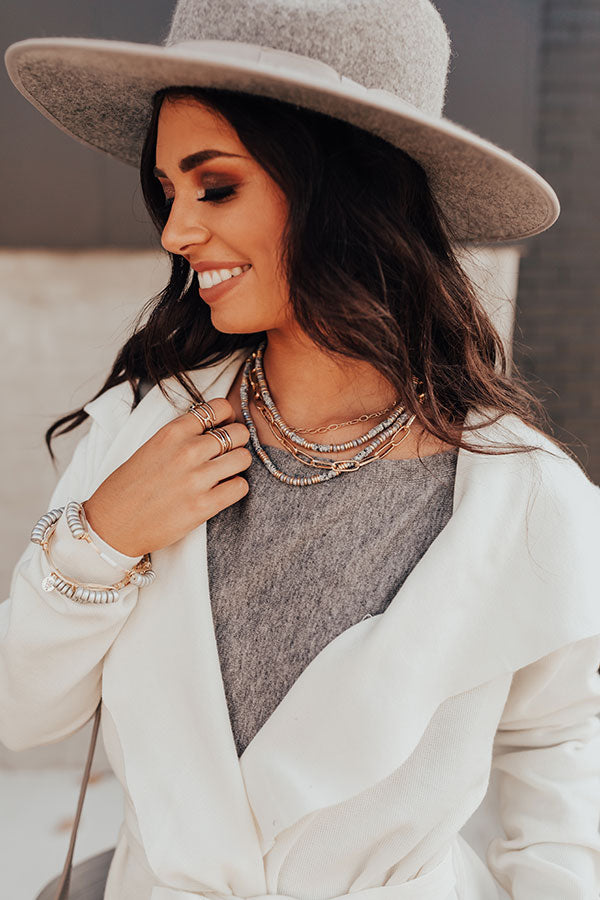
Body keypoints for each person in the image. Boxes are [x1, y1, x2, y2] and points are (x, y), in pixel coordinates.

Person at [2, 1, 600, 899]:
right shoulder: (142, 430)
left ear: (346, 187)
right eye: (168, 192)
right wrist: (102, 538)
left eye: (215, 187)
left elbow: (558, 744)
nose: (173, 233)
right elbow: (21, 713)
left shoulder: (523, 497)